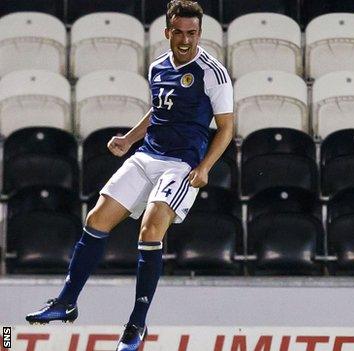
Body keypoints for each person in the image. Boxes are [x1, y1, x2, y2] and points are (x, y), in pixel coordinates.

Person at [25, 1, 234, 350]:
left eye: (192, 33)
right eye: (179, 32)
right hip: (147, 155)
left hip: (181, 164)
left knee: (151, 227)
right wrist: (128, 138)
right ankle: (66, 302)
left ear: (200, 34)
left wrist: (205, 167)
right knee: (96, 218)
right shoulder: (157, 67)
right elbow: (159, 110)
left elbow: (226, 128)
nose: (185, 40)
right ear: (168, 32)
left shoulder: (212, 72)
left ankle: (136, 325)